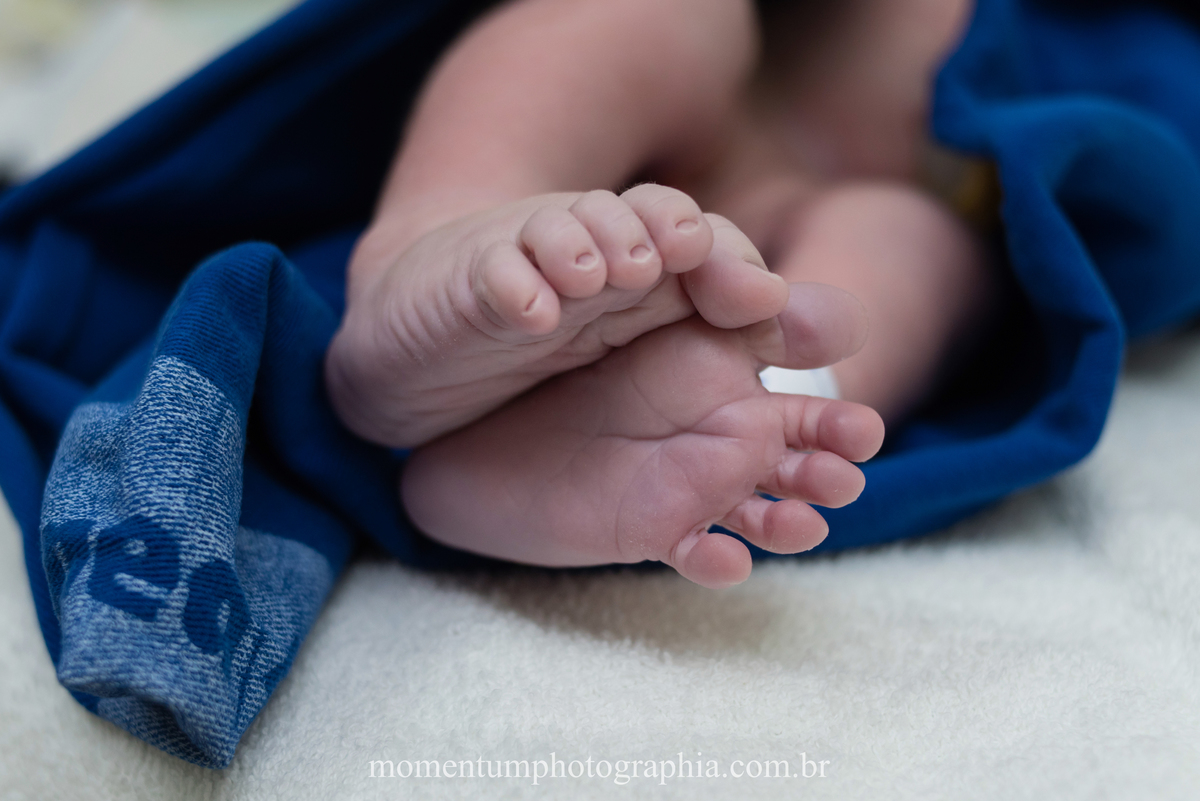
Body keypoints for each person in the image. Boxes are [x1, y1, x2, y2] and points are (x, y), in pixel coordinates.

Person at [323, 0, 997, 588]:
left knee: (916, 241)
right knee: (658, 17)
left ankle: (743, 408)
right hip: (741, 73)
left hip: (846, 207)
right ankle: (443, 241)